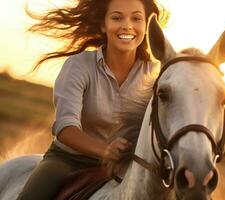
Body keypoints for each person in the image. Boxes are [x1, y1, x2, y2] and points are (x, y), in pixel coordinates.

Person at [17, 0, 169, 199]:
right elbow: (65, 129)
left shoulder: (155, 74)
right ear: (103, 25)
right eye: (116, 17)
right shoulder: (78, 66)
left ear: (145, 27)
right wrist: (106, 150)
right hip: (70, 161)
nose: (127, 25)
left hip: (126, 166)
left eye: (136, 18)